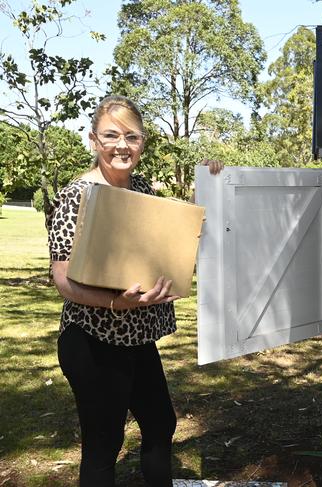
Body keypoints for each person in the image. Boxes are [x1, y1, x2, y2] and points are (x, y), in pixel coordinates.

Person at [46, 95, 222, 487]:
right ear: (94, 140)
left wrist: (209, 187)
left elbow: (169, 235)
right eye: (111, 135)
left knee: (160, 423)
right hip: (91, 338)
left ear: (142, 142)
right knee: (104, 443)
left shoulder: (141, 187)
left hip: (134, 335)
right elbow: (62, 279)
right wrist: (114, 302)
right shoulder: (77, 195)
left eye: (132, 136)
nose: (122, 145)